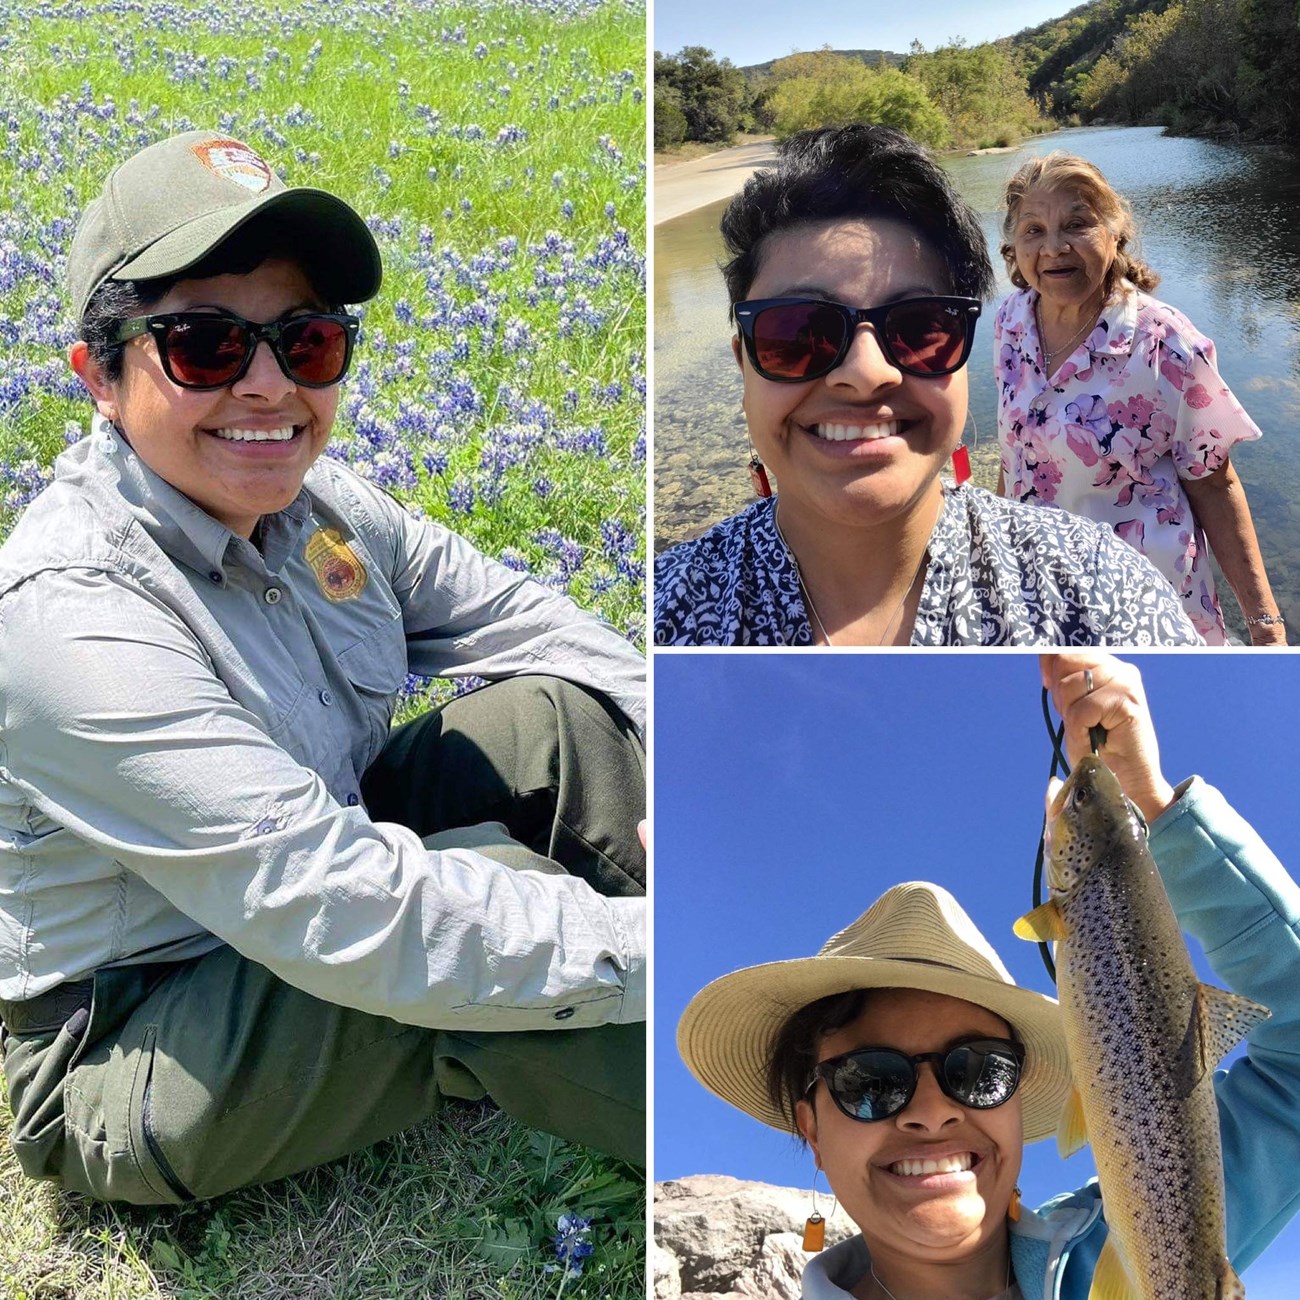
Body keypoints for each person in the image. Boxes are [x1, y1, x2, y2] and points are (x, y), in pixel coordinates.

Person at [0, 130, 646, 1205]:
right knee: (495, 912)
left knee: (554, 716)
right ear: (100, 379)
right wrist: (649, 951)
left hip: (313, 869)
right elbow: (341, 908)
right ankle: (798, 1101)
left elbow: (535, 623)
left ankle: (760, 970)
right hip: (132, 1037)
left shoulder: (324, 508)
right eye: (205, 346)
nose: (269, 388)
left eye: (305, 343)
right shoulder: (66, 622)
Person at [677, 653, 1300, 1298]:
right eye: (870, 1080)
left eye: (979, 1070)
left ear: (1018, 1094)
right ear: (810, 1124)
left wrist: (1153, 802)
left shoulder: (1111, 1240)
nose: (931, 1112)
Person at [653, 126, 1201, 646]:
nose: (866, 373)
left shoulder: (1098, 588)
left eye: (920, 329)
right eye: (798, 332)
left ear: (963, 358)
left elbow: (1211, 474)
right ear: (742, 363)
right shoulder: (664, 612)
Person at [995, 151, 1283, 646]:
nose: (1054, 247)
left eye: (1076, 224)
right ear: (1013, 245)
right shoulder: (1010, 323)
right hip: (1041, 604)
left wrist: (1267, 629)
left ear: (1114, 231)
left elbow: (1215, 486)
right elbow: (1014, 461)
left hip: (1150, 613)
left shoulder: (1164, 342)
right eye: (1033, 230)